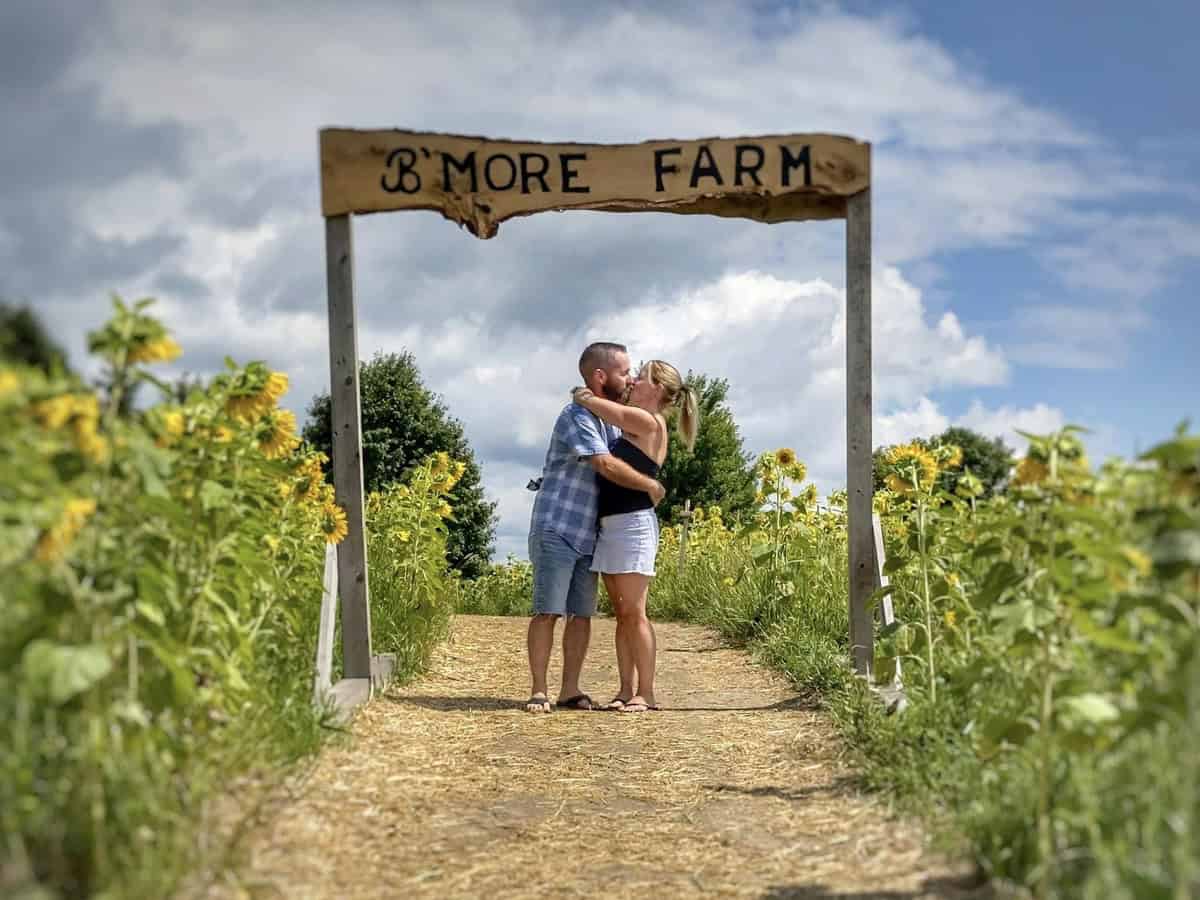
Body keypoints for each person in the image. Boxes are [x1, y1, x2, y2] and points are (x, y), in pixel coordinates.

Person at [525, 342, 666, 713]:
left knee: (582, 615)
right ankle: (539, 690)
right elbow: (604, 464)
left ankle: (570, 689)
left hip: (591, 531)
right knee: (547, 611)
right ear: (601, 376)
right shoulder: (577, 416)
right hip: (558, 524)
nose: (631, 378)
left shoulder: (611, 419)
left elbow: (634, 445)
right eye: (624, 372)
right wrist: (648, 484)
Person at [571, 360, 698, 713]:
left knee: (636, 613)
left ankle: (646, 692)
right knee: (622, 613)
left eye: (640, 378)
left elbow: (611, 412)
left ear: (657, 389)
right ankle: (625, 689)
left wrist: (584, 396)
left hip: (632, 526)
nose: (633, 383)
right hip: (612, 525)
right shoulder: (638, 422)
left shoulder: (648, 420)